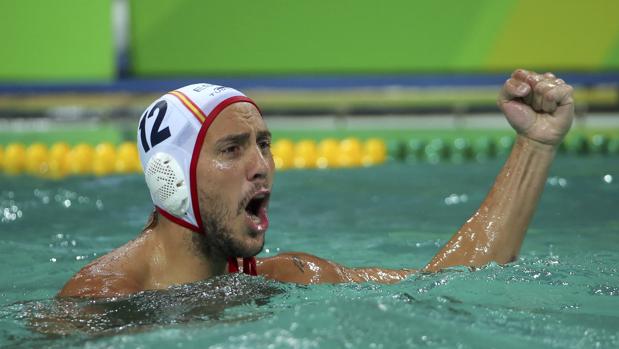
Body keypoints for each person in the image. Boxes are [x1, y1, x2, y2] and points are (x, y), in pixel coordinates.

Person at [58, 69, 574, 298]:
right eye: (232, 149)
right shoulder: (101, 302)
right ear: (171, 179)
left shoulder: (282, 277)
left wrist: (536, 145)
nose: (261, 164)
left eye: (264, 144)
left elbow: (447, 281)